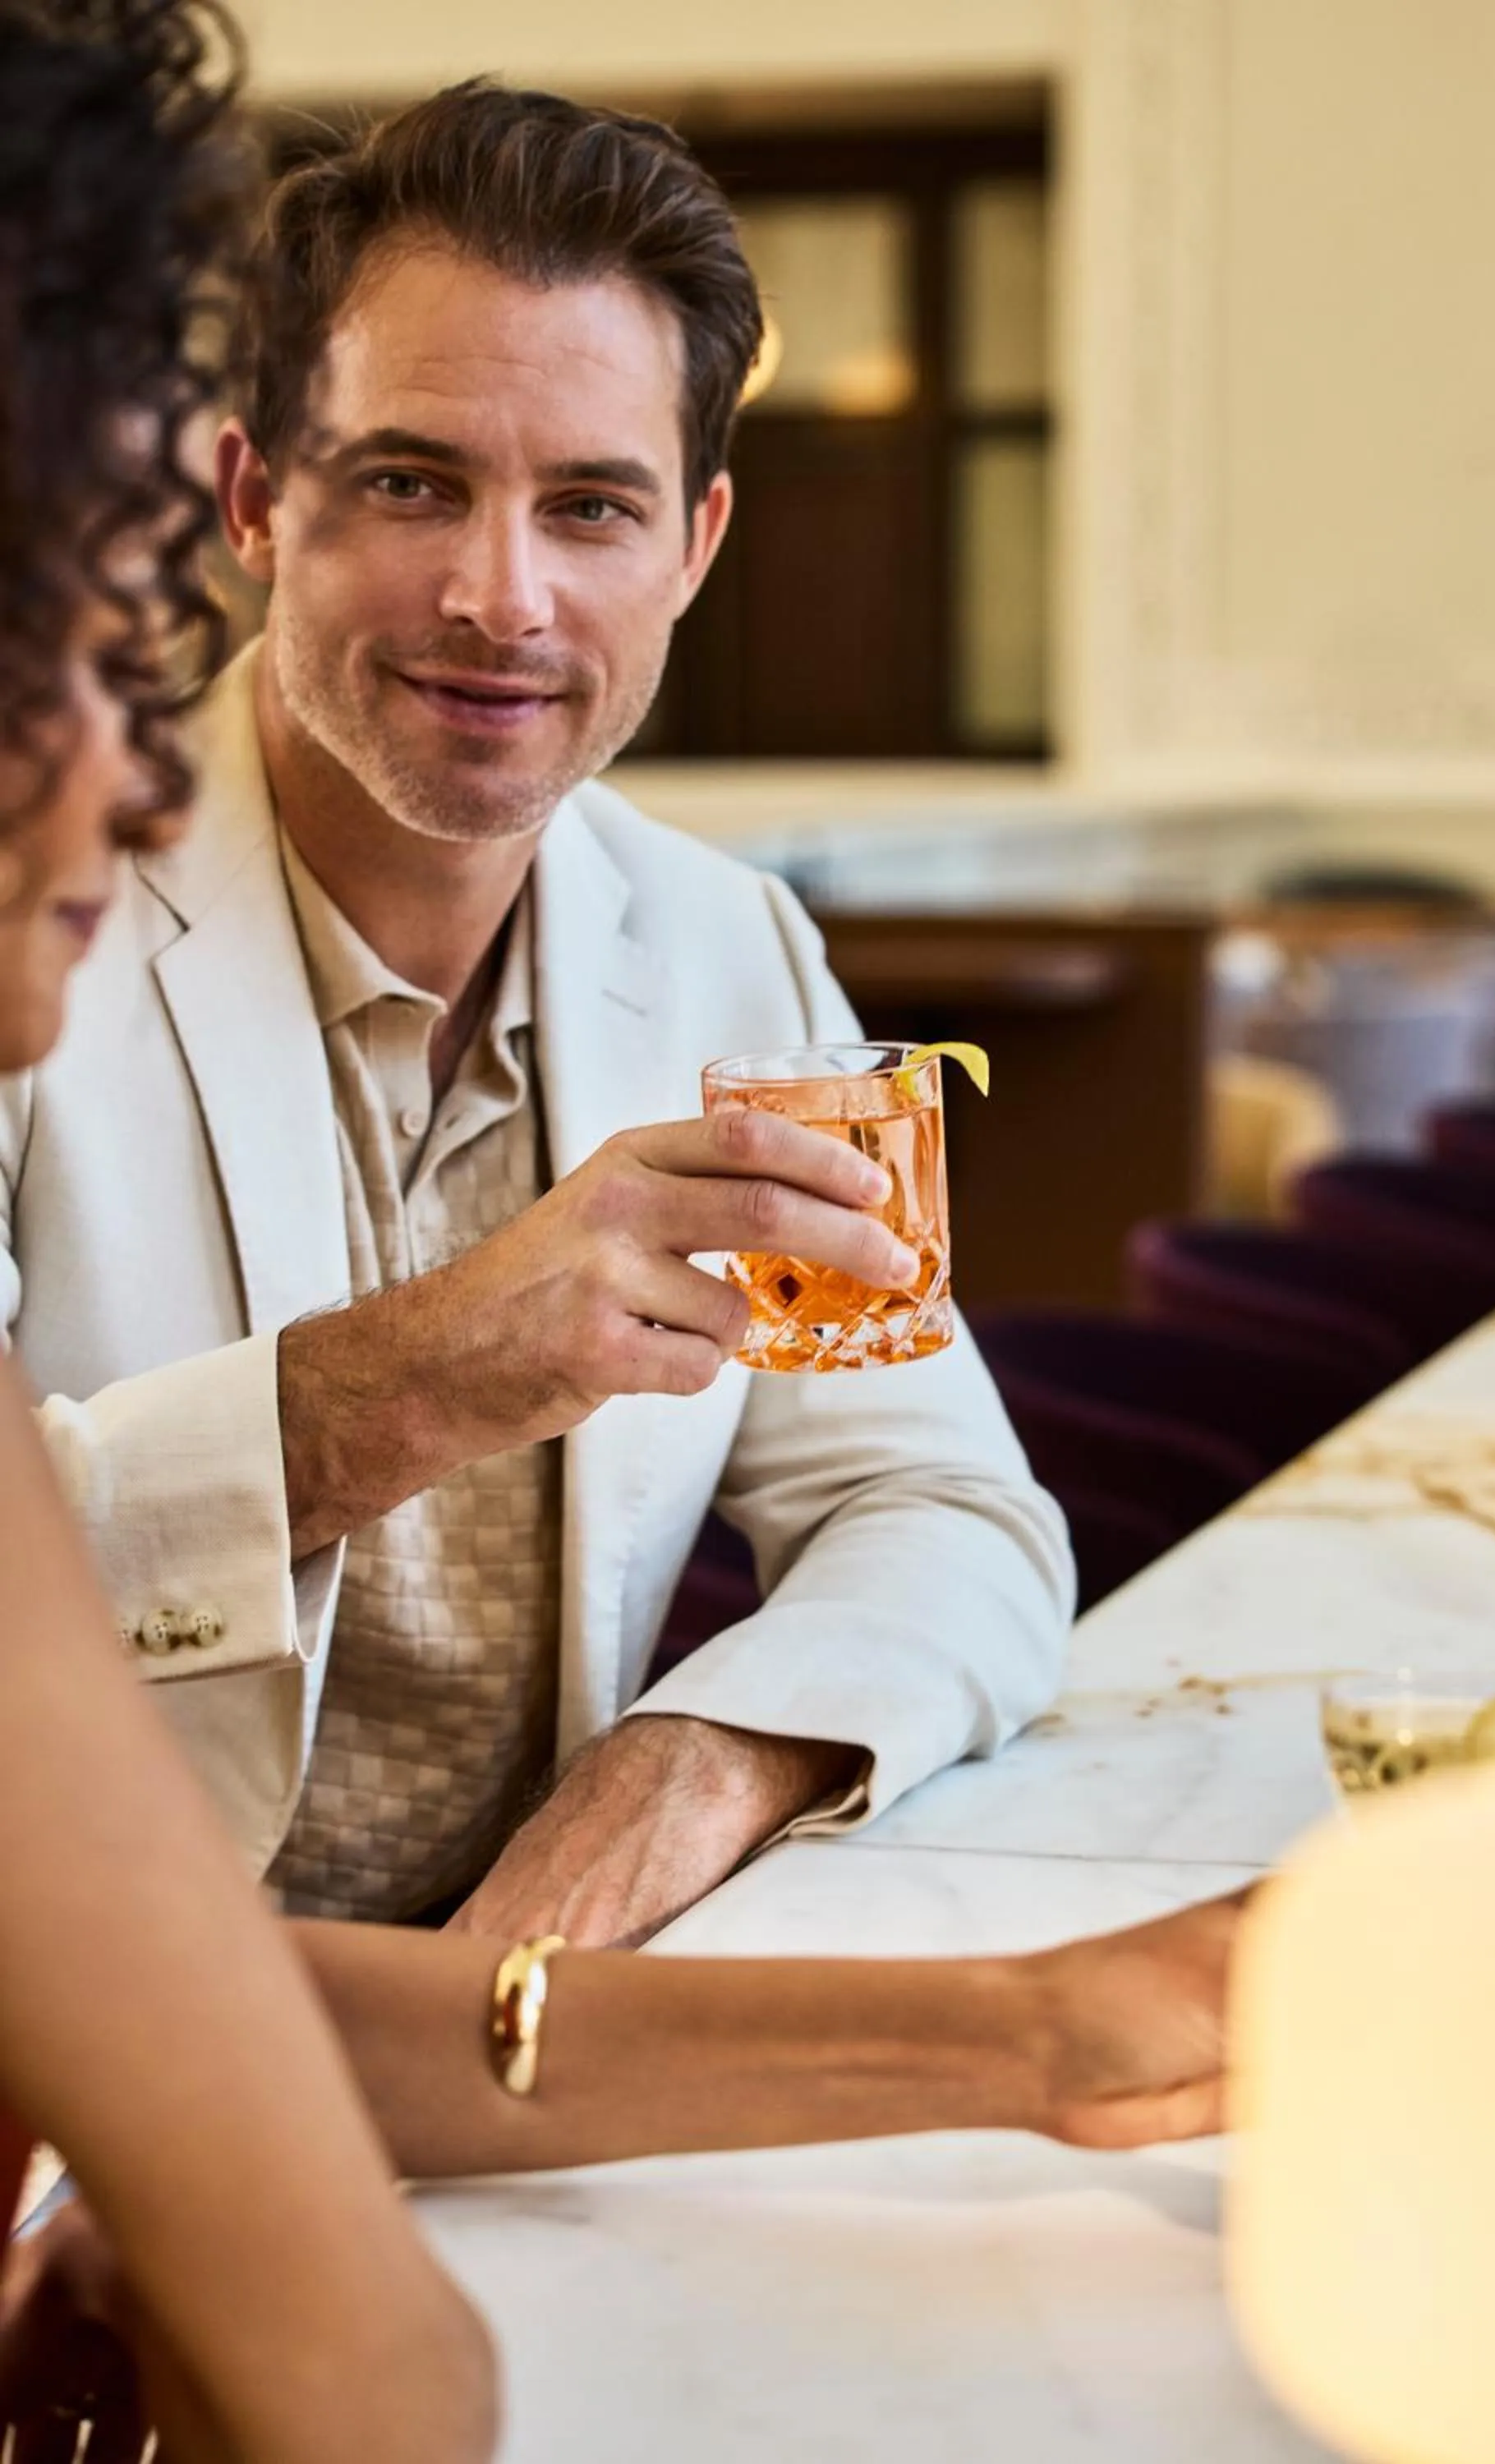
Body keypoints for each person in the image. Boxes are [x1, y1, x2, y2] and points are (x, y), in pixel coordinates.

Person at [0, 80, 1074, 1943]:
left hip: (517, 2053)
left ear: (694, 547)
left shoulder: (730, 943)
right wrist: (405, 1383)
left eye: (591, 506)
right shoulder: (36, 896)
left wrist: (689, 1768)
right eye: (411, 482)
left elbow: (946, 1509)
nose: (501, 597)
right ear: (257, 499)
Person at [0, 3, 500, 2454]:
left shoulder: (732, 935)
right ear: (250, 504)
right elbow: (371, 2386)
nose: (131, 762)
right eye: (73, 639)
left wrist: (1056, 2029)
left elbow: (192, 1995)